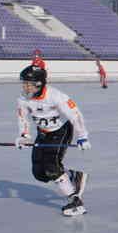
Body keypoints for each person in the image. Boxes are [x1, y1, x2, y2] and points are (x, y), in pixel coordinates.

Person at [15, 65, 91, 216]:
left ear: (39, 83)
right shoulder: (23, 99)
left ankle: (75, 200)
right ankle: (73, 176)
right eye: (23, 83)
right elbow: (22, 117)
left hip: (61, 131)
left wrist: (82, 136)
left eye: (28, 83)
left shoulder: (56, 96)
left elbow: (75, 115)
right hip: (43, 133)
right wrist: (23, 135)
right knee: (40, 174)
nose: (25, 87)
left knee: (51, 167)